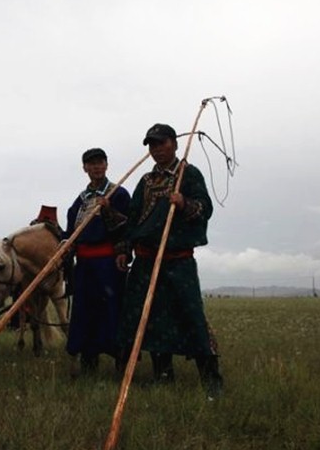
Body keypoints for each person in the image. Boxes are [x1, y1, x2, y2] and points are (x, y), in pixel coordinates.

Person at [115, 124, 223, 397]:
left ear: (174, 144)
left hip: (177, 261)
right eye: (152, 145)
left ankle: (211, 380)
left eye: (161, 143)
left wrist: (184, 202)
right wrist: (124, 250)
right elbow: (133, 218)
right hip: (146, 262)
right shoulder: (146, 181)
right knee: (150, 319)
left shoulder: (189, 174)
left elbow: (206, 208)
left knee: (191, 316)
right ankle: (163, 376)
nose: (156, 150)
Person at [64, 148, 131, 375]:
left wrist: (109, 210)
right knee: (86, 312)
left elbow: (128, 228)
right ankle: (88, 360)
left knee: (113, 311)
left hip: (109, 265)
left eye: (100, 163)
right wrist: (65, 246)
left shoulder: (118, 194)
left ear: (106, 165)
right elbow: (70, 232)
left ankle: (120, 360)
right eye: (91, 164)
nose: (96, 167)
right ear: (84, 168)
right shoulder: (80, 202)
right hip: (84, 267)